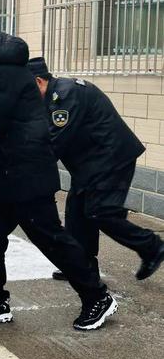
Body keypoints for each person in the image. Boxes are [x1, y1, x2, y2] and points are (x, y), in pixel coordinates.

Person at [0, 8, 115, 331]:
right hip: (2, 175)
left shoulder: (1, 72)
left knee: (51, 239)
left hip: (24, 173)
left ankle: (97, 296)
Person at [27, 57, 164, 282]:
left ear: (39, 82)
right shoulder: (53, 96)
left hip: (111, 158)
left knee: (101, 211)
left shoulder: (64, 96)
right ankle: (82, 266)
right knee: (76, 212)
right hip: (92, 163)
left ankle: (152, 246)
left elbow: (53, 143)